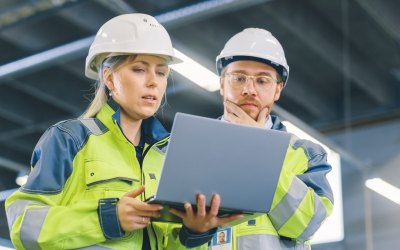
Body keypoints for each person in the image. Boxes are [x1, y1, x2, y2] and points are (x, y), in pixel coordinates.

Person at [5, 13, 239, 250]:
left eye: (161, 72)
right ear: (109, 78)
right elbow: (23, 227)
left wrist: (194, 232)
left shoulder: (169, 157)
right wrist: (107, 219)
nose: (153, 82)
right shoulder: (70, 140)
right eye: (139, 69)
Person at [213, 28, 334, 249]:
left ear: (277, 89)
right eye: (239, 78)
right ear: (222, 83)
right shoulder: (189, 144)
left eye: (262, 80)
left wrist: (258, 148)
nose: (249, 90)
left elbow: (306, 224)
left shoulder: (306, 154)